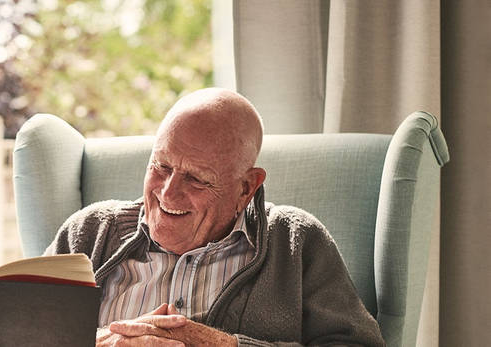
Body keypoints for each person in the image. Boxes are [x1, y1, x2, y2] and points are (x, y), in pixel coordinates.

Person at [46, 88, 384, 346]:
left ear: (246, 188)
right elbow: (10, 333)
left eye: (196, 179)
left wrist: (218, 344)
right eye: (161, 166)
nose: (168, 193)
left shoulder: (296, 243)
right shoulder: (89, 232)